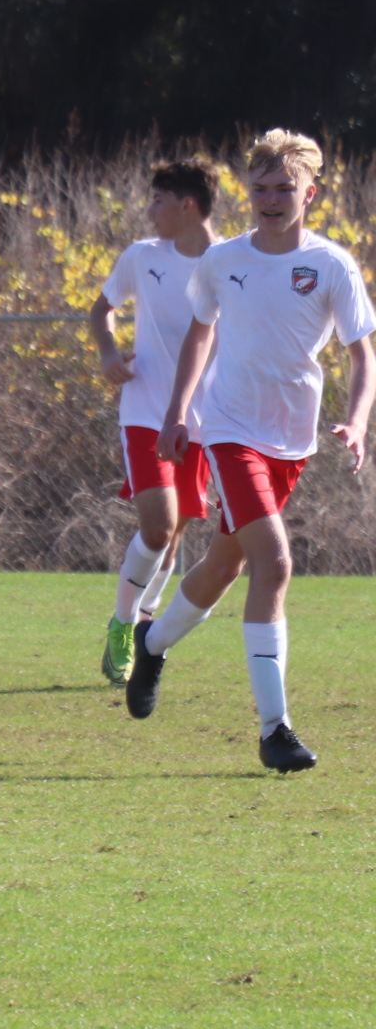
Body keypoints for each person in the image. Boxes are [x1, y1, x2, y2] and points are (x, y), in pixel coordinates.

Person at [126, 130, 376, 771]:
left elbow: (361, 355)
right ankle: (275, 729)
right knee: (277, 562)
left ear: (309, 193)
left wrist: (356, 422)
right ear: (248, 192)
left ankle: (151, 644)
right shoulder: (223, 261)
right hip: (230, 432)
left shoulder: (332, 266)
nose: (270, 199)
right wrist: (179, 412)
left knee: (225, 564)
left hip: (291, 441)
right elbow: (199, 336)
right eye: (260, 188)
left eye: (284, 188)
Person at [89, 160, 221, 683]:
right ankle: (123, 625)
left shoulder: (236, 261)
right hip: (145, 411)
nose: (150, 211)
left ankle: (144, 615)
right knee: (158, 525)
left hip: (207, 422)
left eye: (158, 200)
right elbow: (101, 309)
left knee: (174, 535)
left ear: (186, 205)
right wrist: (107, 354)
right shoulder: (143, 257)